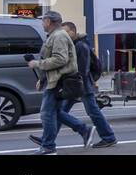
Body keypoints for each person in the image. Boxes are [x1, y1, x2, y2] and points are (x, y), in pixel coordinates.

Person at [32, 21, 117, 150]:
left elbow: (82, 69)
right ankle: (48, 139)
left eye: (66, 32)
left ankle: (108, 137)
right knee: (59, 111)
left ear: (73, 31)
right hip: (73, 84)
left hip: (80, 85)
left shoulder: (81, 46)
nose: (64, 35)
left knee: (92, 112)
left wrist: (78, 87)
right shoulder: (72, 44)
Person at [28, 11, 90, 154]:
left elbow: (60, 59)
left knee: (46, 113)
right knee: (53, 112)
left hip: (59, 81)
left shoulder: (59, 36)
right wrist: (42, 79)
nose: (42, 24)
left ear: (49, 21)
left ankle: (48, 146)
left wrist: (37, 64)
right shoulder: (55, 36)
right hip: (54, 80)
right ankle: (83, 129)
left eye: (43, 21)